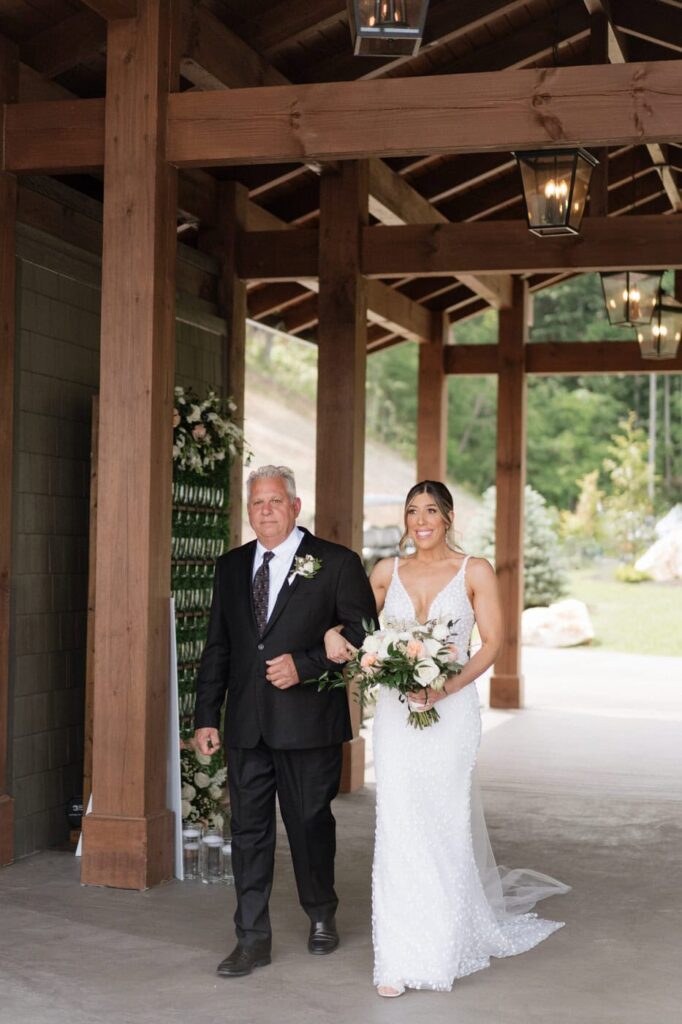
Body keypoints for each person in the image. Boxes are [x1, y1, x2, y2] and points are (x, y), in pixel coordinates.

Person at [325, 480, 569, 997]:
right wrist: (336, 637)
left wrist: (447, 687)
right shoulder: (386, 572)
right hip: (396, 716)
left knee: (441, 826)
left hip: (451, 715)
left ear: (449, 516)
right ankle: (395, 957)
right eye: (412, 511)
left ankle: (439, 948)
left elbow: (495, 641)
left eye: (430, 510)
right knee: (399, 827)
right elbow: (358, 628)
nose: (420, 520)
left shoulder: (473, 570)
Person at [194, 465, 377, 979]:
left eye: (275, 501)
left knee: (309, 826)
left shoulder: (336, 563)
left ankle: (321, 912)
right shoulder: (230, 567)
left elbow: (365, 632)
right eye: (257, 503)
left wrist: (307, 665)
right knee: (248, 833)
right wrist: (207, 715)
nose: (266, 510)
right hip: (246, 726)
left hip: (309, 724)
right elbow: (219, 647)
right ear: (248, 510)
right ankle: (251, 939)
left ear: (296, 507)